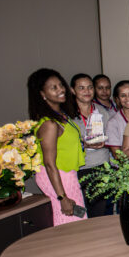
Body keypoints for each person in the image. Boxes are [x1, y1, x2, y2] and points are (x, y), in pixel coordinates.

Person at [27, 68, 87, 226]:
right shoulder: (49, 123)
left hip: (67, 174)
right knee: (70, 222)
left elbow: (64, 144)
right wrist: (62, 197)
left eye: (61, 85)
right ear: (42, 94)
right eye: (54, 87)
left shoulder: (61, 116)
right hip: (59, 176)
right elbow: (49, 163)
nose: (61, 89)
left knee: (78, 220)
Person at [70, 73, 113, 217]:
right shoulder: (68, 114)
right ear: (72, 90)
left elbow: (111, 136)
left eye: (89, 87)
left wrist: (105, 142)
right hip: (80, 169)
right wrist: (83, 143)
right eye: (81, 88)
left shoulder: (101, 111)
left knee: (102, 212)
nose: (87, 91)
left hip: (102, 166)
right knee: (82, 213)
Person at [105, 80, 129, 158]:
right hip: (126, 168)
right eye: (123, 96)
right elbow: (117, 155)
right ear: (117, 99)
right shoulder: (113, 122)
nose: (128, 98)